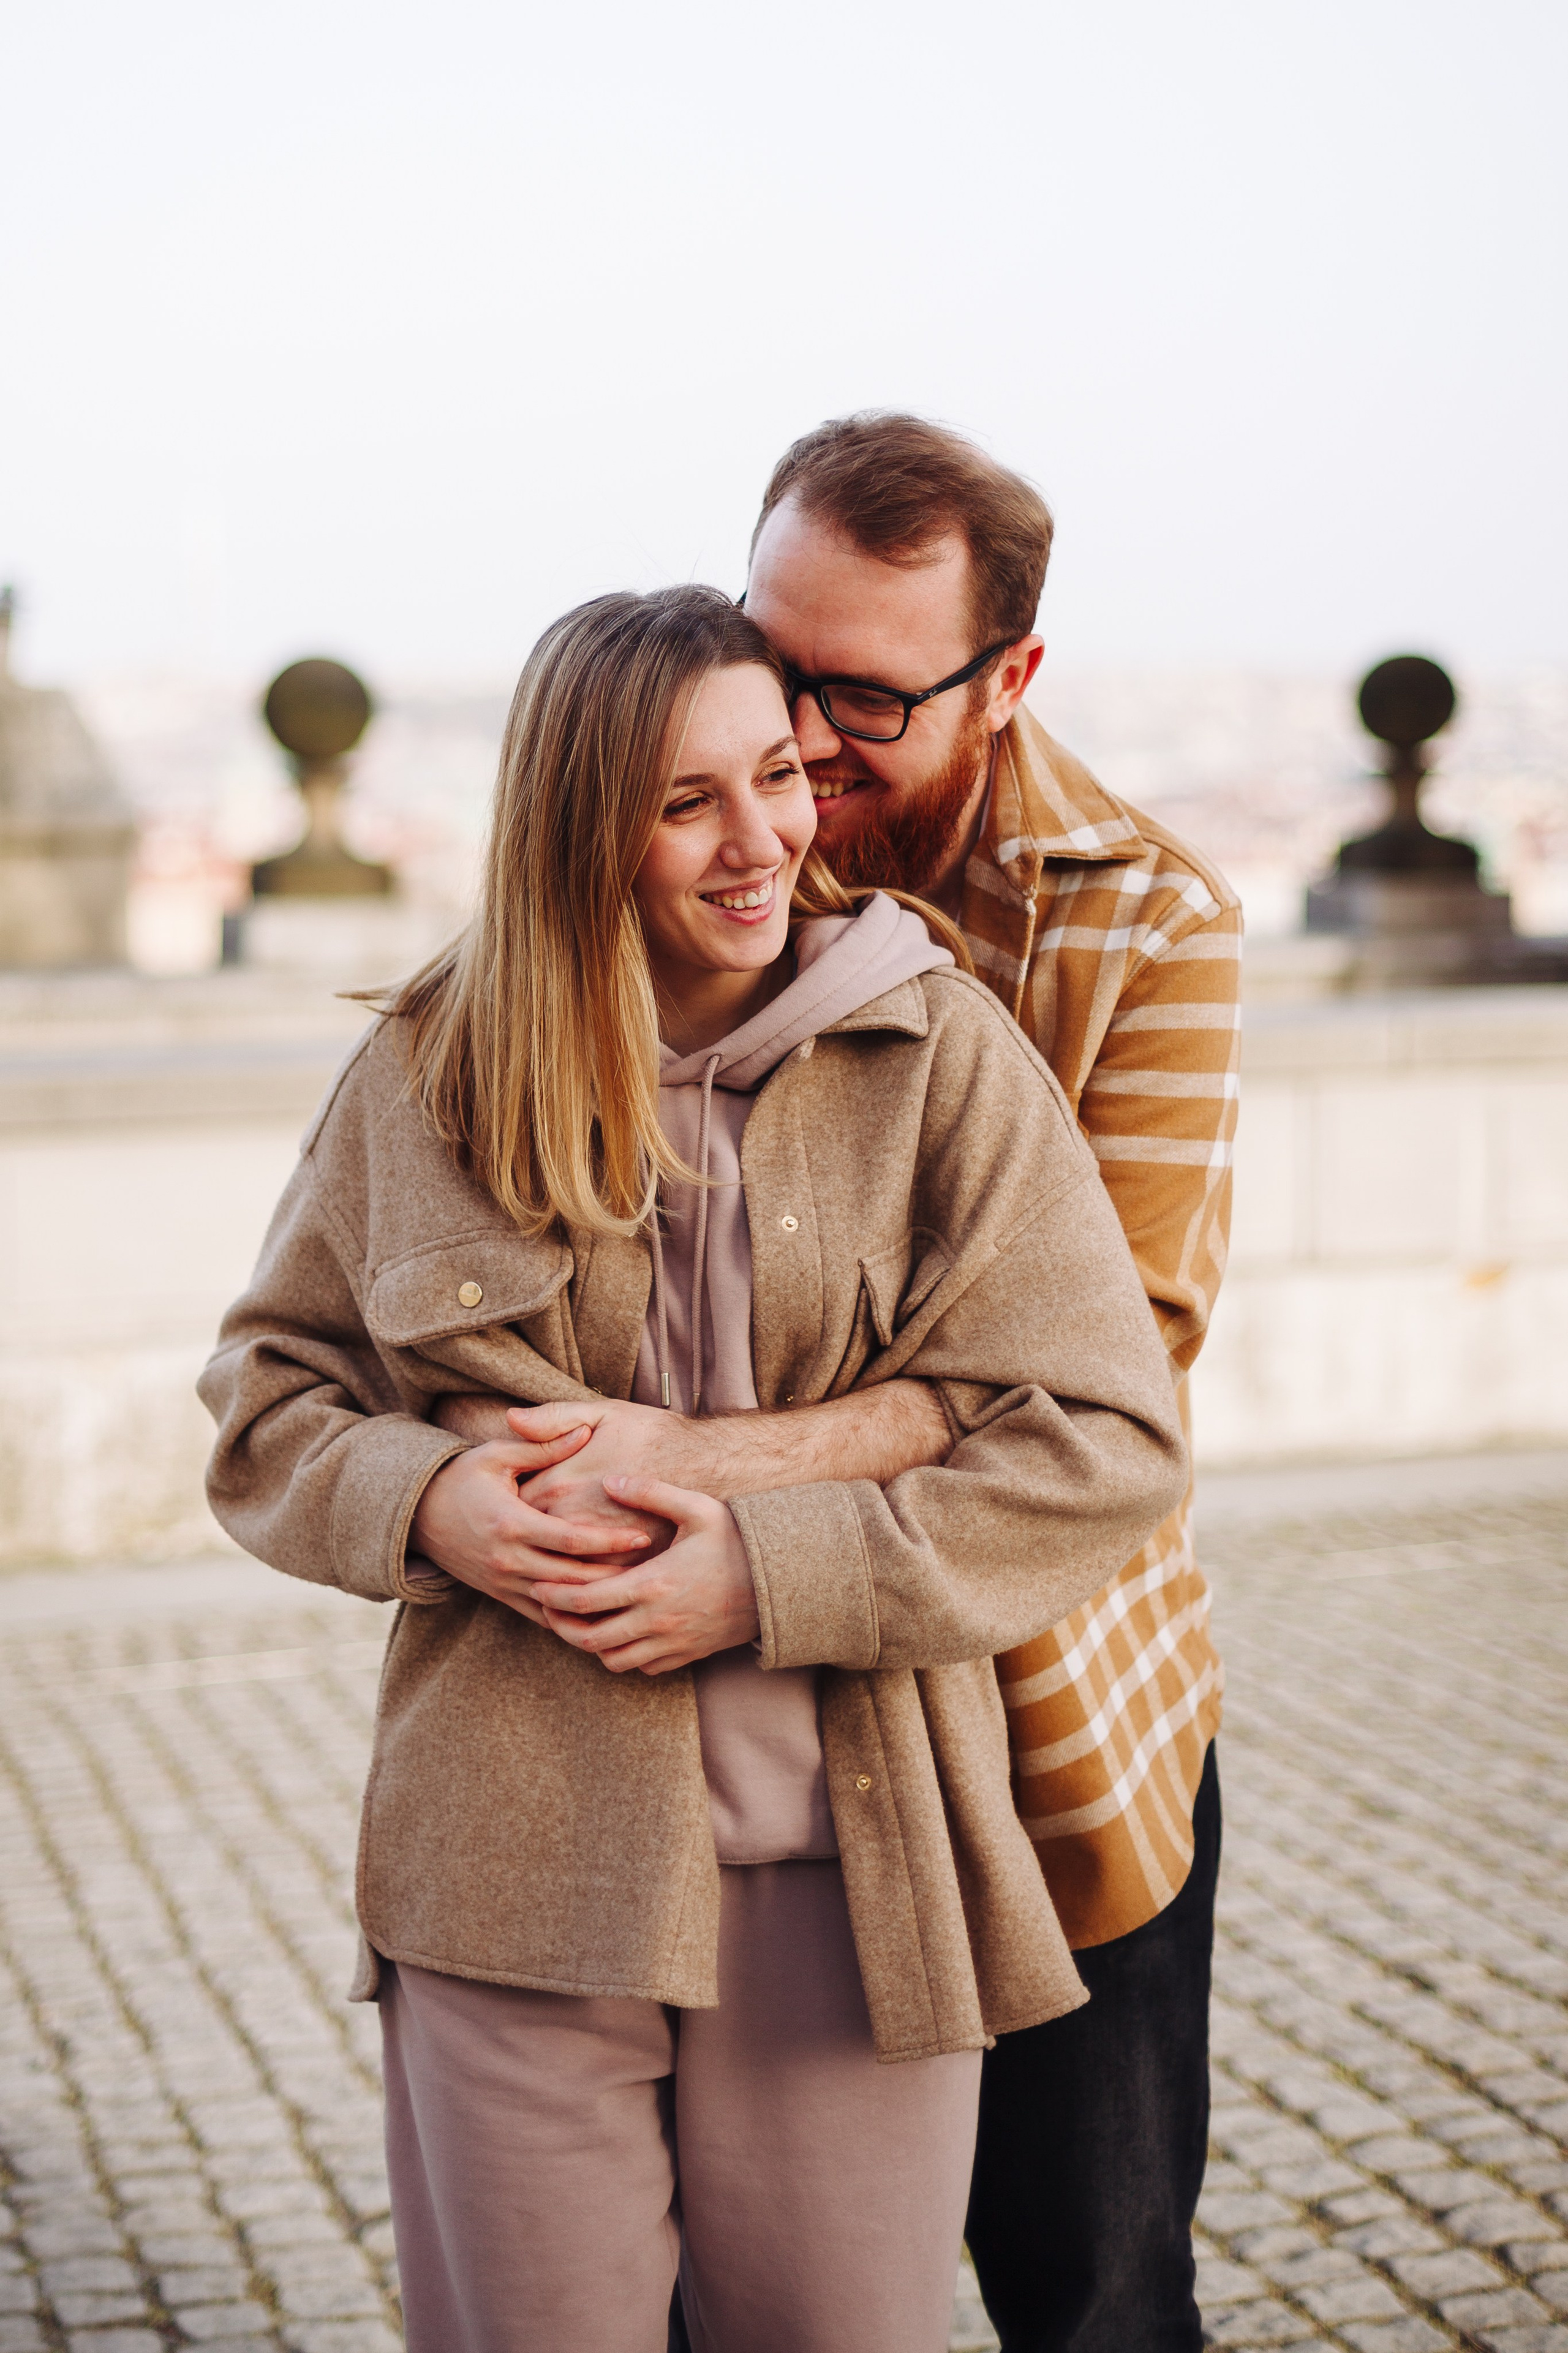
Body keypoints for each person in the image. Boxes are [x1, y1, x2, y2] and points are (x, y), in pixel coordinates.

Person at [199, 584, 1188, 2353]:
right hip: (511, 1858)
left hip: (857, 1869)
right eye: (686, 803)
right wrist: (430, 1502)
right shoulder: (426, 1073)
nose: (763, 844)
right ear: (580, 828)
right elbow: (267, 1399)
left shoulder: (940, 1053)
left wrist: (766, 1570)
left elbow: (1108, 1435)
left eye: (780, 777)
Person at [460, 418, 1242, 2352]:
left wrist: (699, 1478)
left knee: (1093, 2292)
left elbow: (1096, 1377)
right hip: (741, 1760)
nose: (801, 745)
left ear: (1010, 680)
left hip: (1051, 1732)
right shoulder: (680, 857)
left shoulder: (1147, 918)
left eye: (868, 698)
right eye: (775, 656)